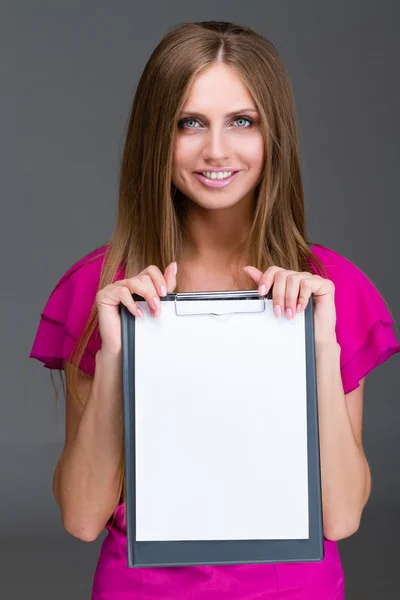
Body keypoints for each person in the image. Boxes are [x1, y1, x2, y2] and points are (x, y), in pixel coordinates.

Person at [29, 20, 400, 600]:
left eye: (242, 122)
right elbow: (81, 518)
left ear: (272, 134)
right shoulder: (102, 286)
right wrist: (115, 360)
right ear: (158, 134)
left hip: (293, 588)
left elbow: (342, 517)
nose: (217, 150)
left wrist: (319, 346)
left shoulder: (331, 288)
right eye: (190, 122)